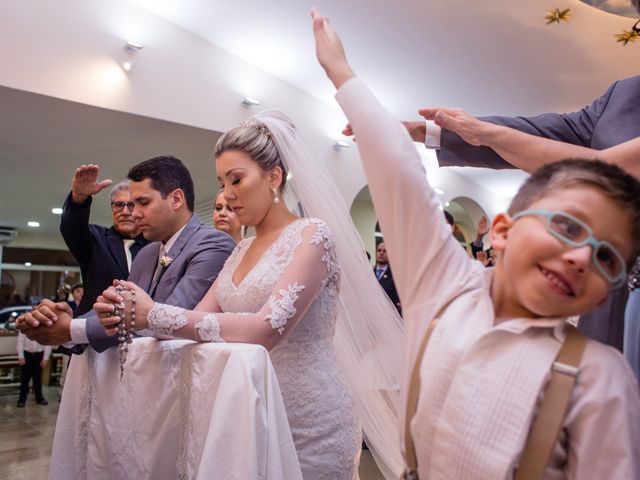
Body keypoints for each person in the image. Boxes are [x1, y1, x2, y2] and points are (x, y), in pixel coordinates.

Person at [311, 8, 640, 479]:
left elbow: (608, 166)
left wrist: (487, 132)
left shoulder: (601, 377)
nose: (583, 256)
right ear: (501, 230)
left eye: (607, 255)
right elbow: (399, 177)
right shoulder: (445, 288)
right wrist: (343, 75)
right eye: (567, 227)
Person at [94, 113, 406, 478]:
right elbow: (197, 318)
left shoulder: (312, 237)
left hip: (307, 414)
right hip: (246, 406)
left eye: (236, 179)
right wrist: (127, 310)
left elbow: (267, 328)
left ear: (274, 176)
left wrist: (152, 314)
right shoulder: (239, 251)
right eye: (222, 182)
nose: (226, 194)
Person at [394, 78, 640, 352]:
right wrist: (428, 131)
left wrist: (483, 132)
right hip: (608, 309)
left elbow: (610, 169)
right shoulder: (626, 93)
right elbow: (547, 133)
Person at [17, 156, 236, 354]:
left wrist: (70, 329)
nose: (134, 213)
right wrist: (61, 320)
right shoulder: (148, 252)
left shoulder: (213, 244)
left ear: (176, 199)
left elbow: (168, 319)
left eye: (143, 202)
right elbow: (117, 311)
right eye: (130, 204)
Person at [60, 165, 148, 316]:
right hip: (95, 328)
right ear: (112, 208)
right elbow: (72, 228)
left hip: (145, 331)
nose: (125, 212)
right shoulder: (96, 239)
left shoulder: (156, 244)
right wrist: (79, 198)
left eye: (131, 205)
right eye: (119, 205)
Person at [16, 331, 52, 407]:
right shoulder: (25, 328)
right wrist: (21, 356)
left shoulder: (44, 329)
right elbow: (20, 342)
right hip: (27, 355)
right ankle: (22, 400)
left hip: (39, 355)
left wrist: (45, 358)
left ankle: (39, 398)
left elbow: (48, 343)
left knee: (37, 378)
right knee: (25, 379)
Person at [374, 242, 401, 314]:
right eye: (379, 250)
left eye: (384, 251)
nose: (381, 253)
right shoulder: (369, 273)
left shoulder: (395, 276)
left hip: (389, 315)